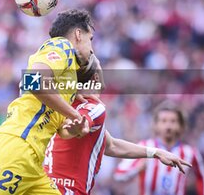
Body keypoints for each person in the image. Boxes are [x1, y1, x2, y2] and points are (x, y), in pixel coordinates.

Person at [0, 9, 95, 195]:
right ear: (78, 34)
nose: (92, 48)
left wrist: (74, 128)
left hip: (34, 163)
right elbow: (33, 81)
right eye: (90, 38)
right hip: (15, 147)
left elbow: (60, 129)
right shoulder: (61, 46)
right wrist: (74, 113)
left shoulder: (65, 82)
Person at [44, 56, 192, 195]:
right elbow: (71, 129)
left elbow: (111, 145)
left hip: (43, 185)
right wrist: (74, 129)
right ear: (96, 77)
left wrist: (156, 153)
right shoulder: (95, 107)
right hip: (66, 190)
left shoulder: (58, 102)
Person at [114, 100, 204, 195]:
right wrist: (137, 168)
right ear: (156, 125)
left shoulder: (189, 152)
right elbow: (119, 174)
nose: (168, 126)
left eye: (173, 121)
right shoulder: (144, 147)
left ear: (180, 125)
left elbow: (203, 178)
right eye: (163, 121)